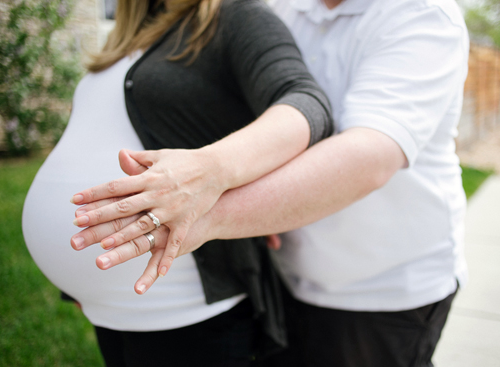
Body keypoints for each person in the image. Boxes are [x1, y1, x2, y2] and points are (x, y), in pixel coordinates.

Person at [72, 0, 469, 365]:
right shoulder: (283, 6)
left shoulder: (422, 15)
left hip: (378, 292)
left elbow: (369, 157)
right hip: (285, 279)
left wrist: (207, 215)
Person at [22, 0, 334, 365]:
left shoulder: (235, 15)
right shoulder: (130, 37)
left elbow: (307, 103)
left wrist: (215, 169)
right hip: (109, 309)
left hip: (186, 308)